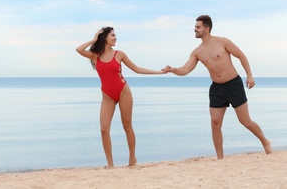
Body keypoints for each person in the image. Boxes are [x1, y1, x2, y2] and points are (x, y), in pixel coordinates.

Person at [163, 15, 273, 159]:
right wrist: (173, 69)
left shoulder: (222, 42)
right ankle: (220, 158)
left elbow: (241, 55)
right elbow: (185, 70)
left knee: (245, 121)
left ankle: (265, 142)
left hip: (234, 84)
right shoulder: (197, 52)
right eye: (195, 27)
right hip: (217, 88)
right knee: (215, 123)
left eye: (198, 27)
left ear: (206, 29)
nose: (195, 29)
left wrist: (250, 76)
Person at [76, 27, 166, 168]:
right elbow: (79, 49)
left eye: (115, 35)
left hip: (123, 91)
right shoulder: (95, 55)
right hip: (107, 96)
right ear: (104, 37)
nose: (115, 38)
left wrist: (159, 72)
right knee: (104, 129)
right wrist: (94, 39)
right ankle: (110, 164)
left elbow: (137, 69)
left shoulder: (119, 54)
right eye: (112, 35)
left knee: (127, 126)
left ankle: (132, 159)